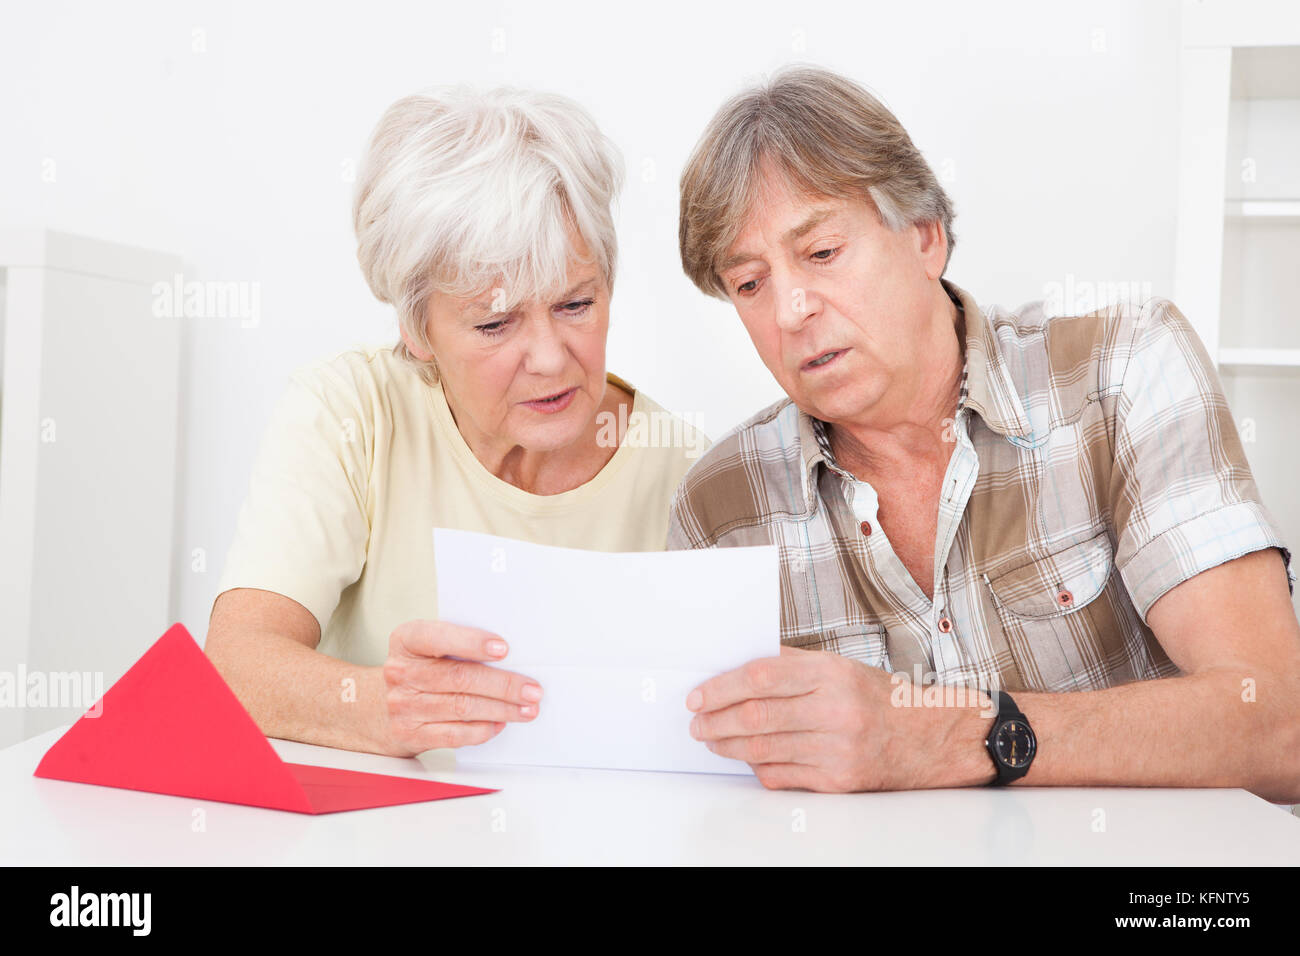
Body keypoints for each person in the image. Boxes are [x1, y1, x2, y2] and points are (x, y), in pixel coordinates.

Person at [670, 65, 1300, 800]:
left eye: (821, 253)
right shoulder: (719, 511)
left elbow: (1279, 723)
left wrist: (948, 735)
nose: (789, 310)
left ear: (926, 238)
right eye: (750, 284)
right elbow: (696, 800)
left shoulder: (1123, 372)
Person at [206, 86, 707, 758]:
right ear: (418, 329)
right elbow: (236, 663)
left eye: (575, 304)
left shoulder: (688, 472)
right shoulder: (350, 413)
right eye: (496, 323)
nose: (551, 358)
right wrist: (384, 709)